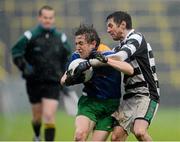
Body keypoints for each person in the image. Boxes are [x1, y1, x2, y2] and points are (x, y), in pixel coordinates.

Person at [91, 11, 160, 141]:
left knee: (139, 131)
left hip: (147, 94)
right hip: (129, 97)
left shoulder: (137, 38)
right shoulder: (118, 47)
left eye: (110, 26)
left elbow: (119, 57)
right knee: (116, 137)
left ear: (122, 25)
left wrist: (91, 62)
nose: (108, 30)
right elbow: (110, 58)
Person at [60, 24, 134, 141]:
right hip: (89, 103)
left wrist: (106, 61)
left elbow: (129, 69)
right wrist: (71, 79)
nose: (78, 47)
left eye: (81, 43)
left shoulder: (106, 53)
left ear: (93, 44)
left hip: (109, 106)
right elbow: (63, 80)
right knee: (80, 136)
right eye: (76, 44)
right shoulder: (76, 57)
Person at [11, 5, 71, 141]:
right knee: (37, 117)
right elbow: (16, 52)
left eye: (50, 18)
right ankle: (37, 135)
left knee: (49, 116)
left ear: (54, 19)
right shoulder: (30, 35)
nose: (48, 20)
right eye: (45, 17)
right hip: (34, 82)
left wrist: (65, 75)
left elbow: (68, 57)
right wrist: (25, 68)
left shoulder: (61, 37)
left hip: (53, 82)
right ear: (40, 18)